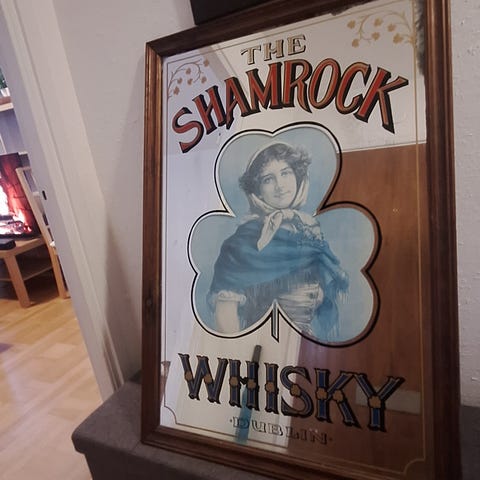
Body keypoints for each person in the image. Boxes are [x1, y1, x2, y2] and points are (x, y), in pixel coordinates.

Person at [207, 142, 348, 340]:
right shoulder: (239, 246)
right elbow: (226, 318)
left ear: (298, 177)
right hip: (261, 348)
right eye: (268, 179)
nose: (280, 186)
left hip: (305, 346)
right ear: (257, 191)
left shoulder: (310, 232)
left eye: (286, 173)